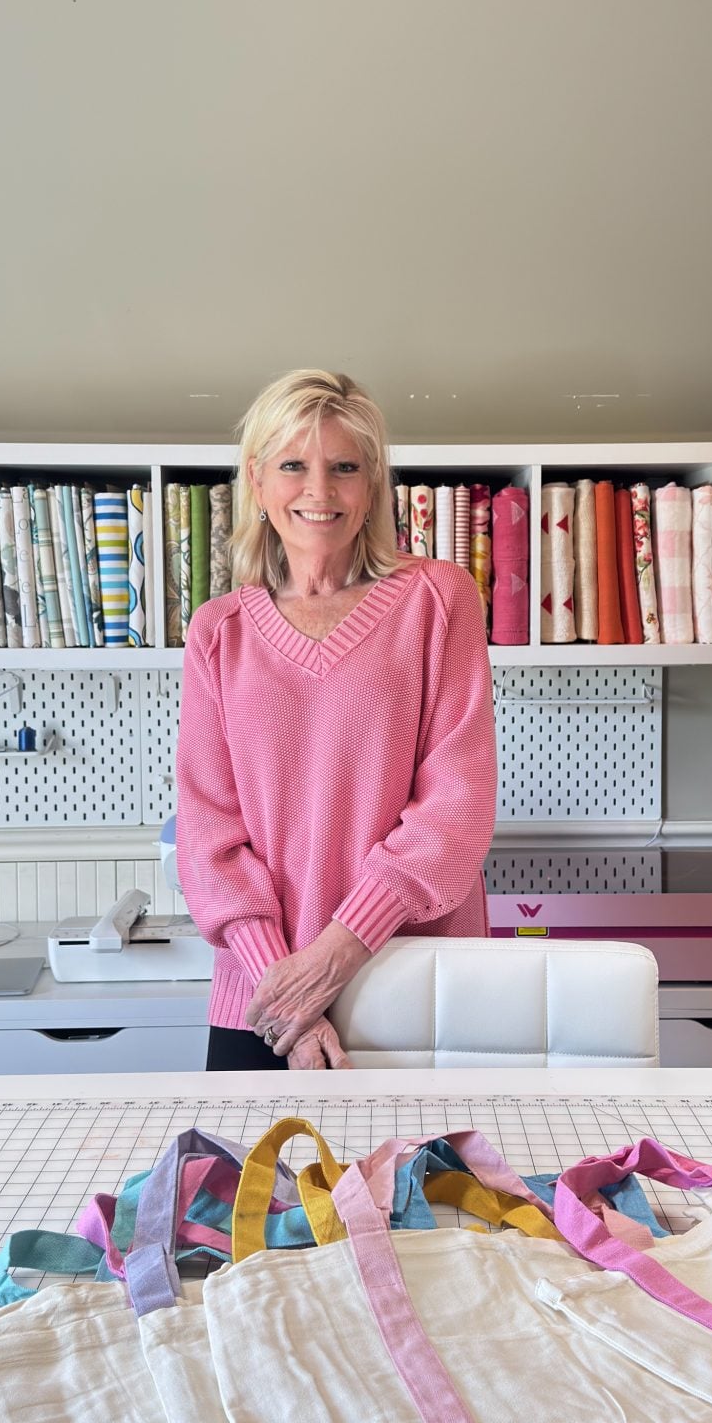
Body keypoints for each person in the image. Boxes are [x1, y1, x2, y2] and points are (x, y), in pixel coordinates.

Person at [176, 369, 498, 1069]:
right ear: (257, 481)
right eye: (294, 465)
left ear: (373, 484)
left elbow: (456, 809)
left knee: (432, 1183)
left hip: (416, 989)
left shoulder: (439, 601)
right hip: (262, 1006)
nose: (319, 491)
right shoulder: (217, 632)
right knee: (255, 1183)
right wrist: (289, 992)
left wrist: (332, 960)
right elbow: (210, 843)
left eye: (344, 467)